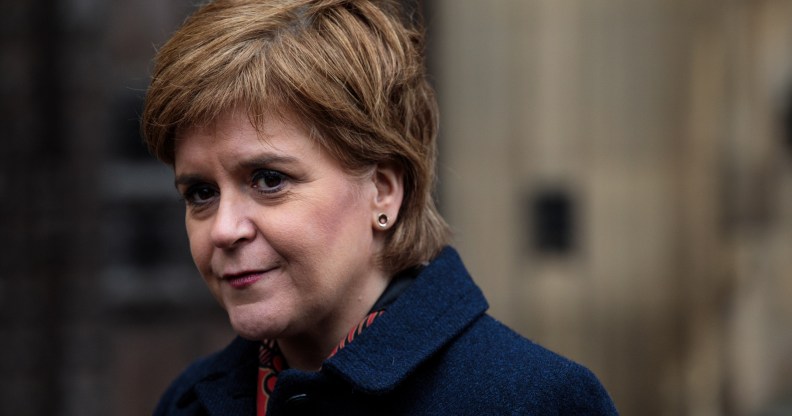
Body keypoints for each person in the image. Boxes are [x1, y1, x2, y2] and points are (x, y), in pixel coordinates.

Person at [142, 0, 618, 414]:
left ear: (384, 191)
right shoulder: (190, 402)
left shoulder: (531, 400)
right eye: (201, 193)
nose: (224, 230)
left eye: (269, 180)